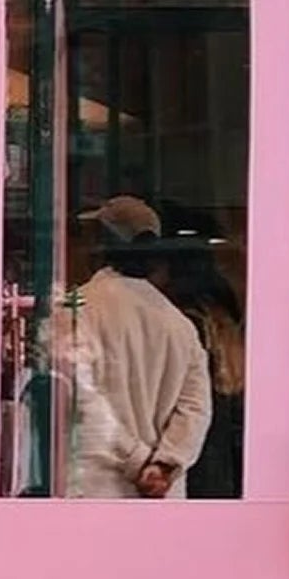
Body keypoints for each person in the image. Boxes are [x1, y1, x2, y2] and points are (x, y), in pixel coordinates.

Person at [62, 196, 212, 499]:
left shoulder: (75, 310)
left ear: (99, 244)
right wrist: (164, 465)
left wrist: (137, 459)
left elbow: (77, 398)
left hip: (94, 489)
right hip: (160, 495)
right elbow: (196, 409)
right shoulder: (179, 325)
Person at [165, 242, 245, 498]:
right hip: (227, 416)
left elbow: (188, 396)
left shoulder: (183, 319)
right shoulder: (224, 310)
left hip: (199, 432)